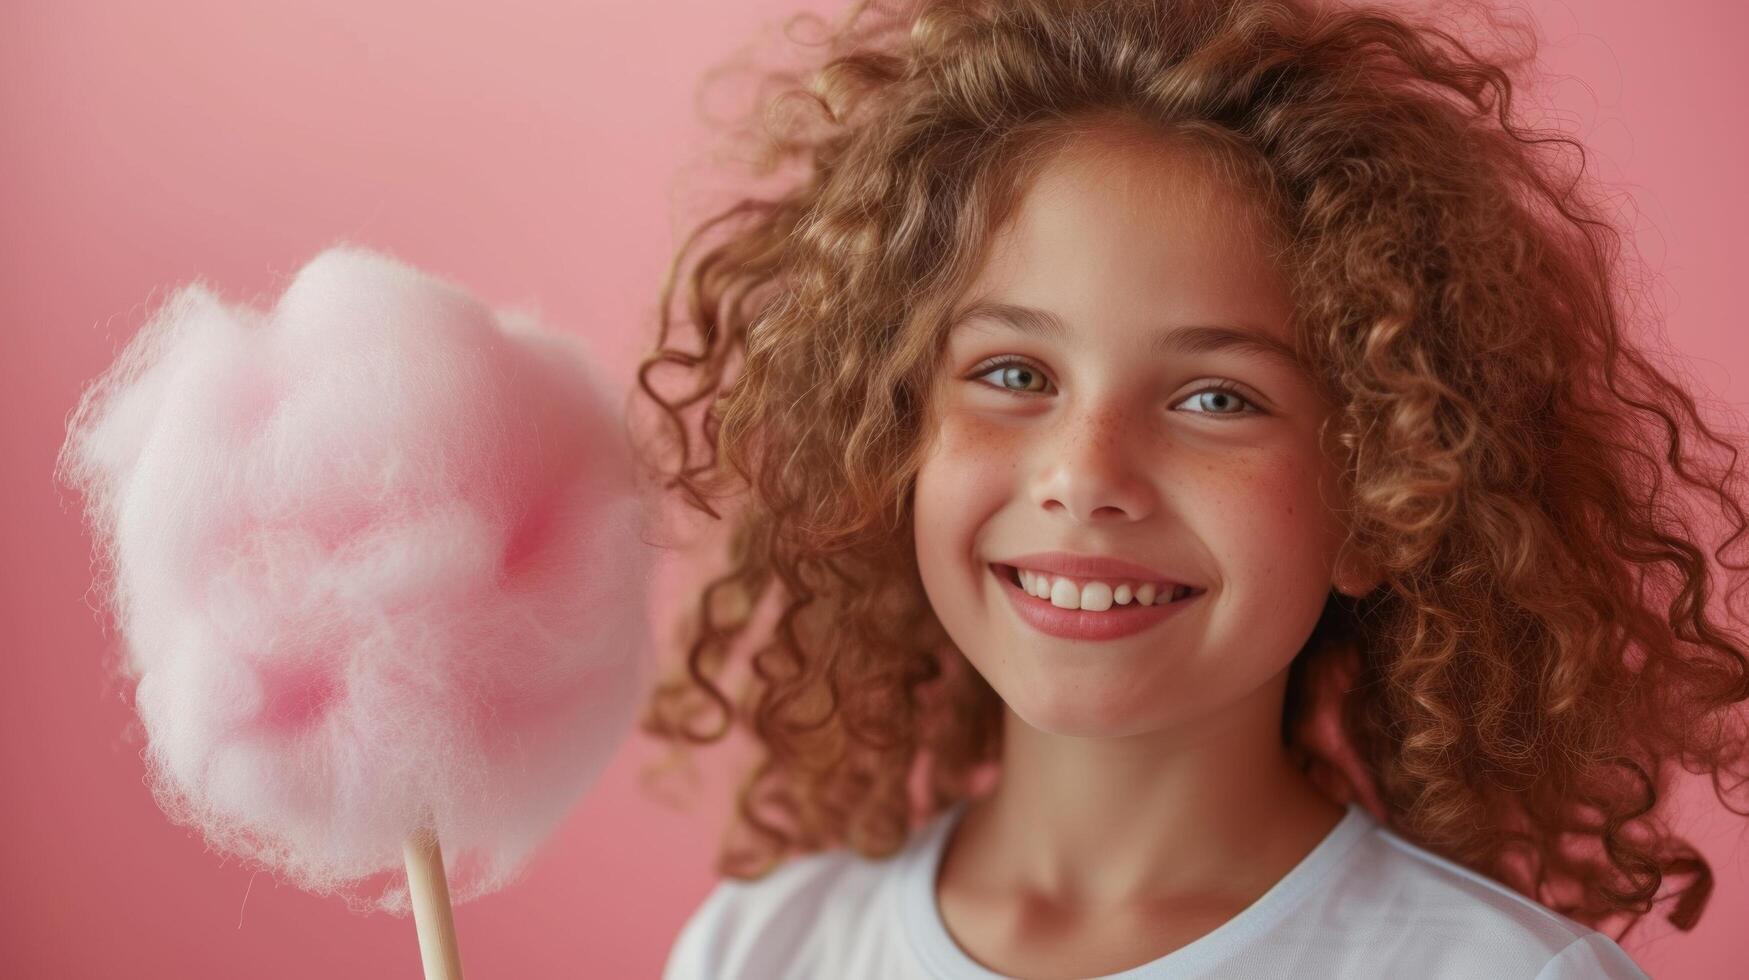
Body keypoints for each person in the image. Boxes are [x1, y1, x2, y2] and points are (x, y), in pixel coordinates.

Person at [630, 0, 1747, 976]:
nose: (1086, 474)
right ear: (890, 438)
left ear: (1386, 490)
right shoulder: (759, 948)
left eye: (1217, 397)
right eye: (1014, 374)